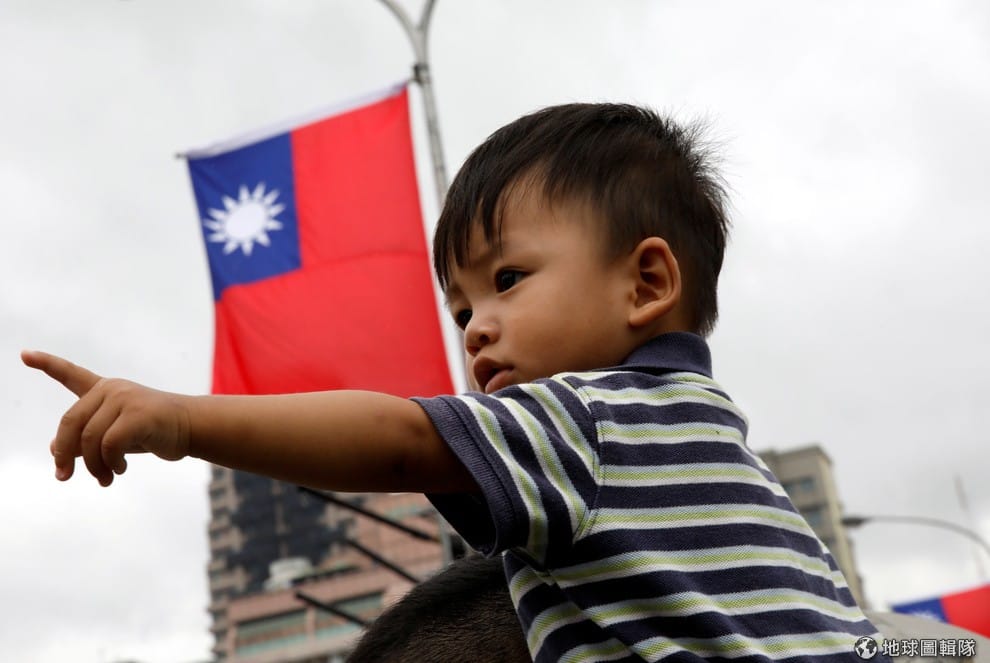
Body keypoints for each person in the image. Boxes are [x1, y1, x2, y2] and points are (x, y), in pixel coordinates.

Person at [23, 103, 886, 662]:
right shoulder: (730, 462)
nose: (475, 326)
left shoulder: (589, 422)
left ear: (646, 283)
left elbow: (401, 441)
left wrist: (182, 421)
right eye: (461, 306)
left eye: (507, 279)